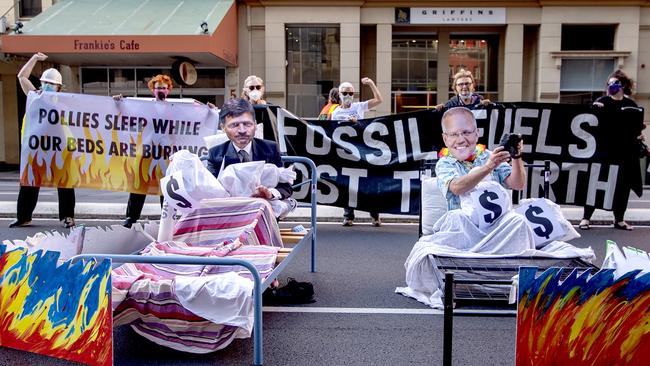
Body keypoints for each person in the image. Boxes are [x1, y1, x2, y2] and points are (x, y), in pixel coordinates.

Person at [11, 52, 76, 228]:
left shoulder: (65, 103)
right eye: (46, 83)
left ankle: (67, 217)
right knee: (29, 181)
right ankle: (24, 216)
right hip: (36, 148)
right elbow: (22, 76)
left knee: (65, 183)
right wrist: (34, 59)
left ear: (59, 88)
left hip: (60, 148)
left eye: (52, 84)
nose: (48, 86)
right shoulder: (34, 97)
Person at [579, 69, 644, 231]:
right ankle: (586, 218)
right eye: (609, 84)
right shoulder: (602, 102)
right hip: (604, 153)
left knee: (622, 186)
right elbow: (590, 122)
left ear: (623, 86)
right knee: (596, 184)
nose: (611, 86)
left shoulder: (631, 105)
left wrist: (639, 136)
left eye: (614, 83)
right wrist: (594, 108)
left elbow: (635, 127)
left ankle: (619, 219)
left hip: (624, 154)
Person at [435, 107, 525, 210]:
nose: (460, 140)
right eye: (454, 134)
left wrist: (516, 156)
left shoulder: (490, 156)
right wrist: (488, 167)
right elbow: (457, 187)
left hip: (496, 222)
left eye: (466, 133)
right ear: (445, 139)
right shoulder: (444, 163)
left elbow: (518, 184)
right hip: (463, 222)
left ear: (477, 134)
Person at [206, 98, 292, 200]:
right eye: (234, 125)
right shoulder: (215, 154)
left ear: (255, 125)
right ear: (223, 128)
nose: (242, 130)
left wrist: (270, 193)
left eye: (247, 124)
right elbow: (211, 190)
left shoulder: (270, 148)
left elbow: (286, 186)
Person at [120, 74, 172, 228]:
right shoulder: (145, 106)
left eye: (163, 88)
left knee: (165, 185)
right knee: (139, 183)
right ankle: (131, 217)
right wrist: (119, 103)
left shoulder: (176, 107)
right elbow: (129, 113)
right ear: (152, 90)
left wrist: (207, 109)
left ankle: (166, 218)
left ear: (168, 90)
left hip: (166, 153)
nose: (161, 90)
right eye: (158, 88)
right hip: (147, 151)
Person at [331, 77, 383, 226]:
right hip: (345, 153)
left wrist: (371, 84)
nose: (347, 96)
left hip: (362, 151)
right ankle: (348, 216)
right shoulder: (335, 112)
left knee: (368, 183)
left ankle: (375, 215)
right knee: (347, 184)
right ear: (339, 94)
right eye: (344, 93)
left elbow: (379, 100)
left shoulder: (359, 107)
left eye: (351, 93)